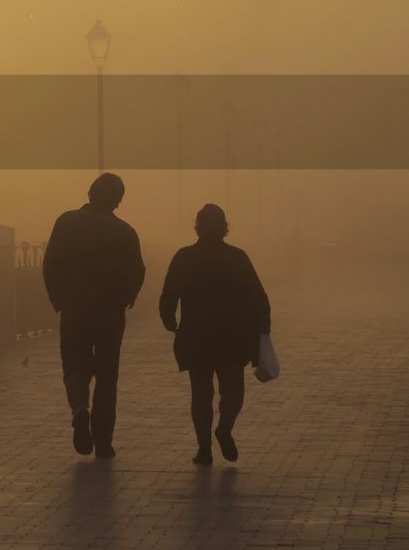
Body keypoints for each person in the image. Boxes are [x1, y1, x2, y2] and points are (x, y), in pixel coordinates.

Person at [42, 173, 146, 458]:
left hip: (74, 309)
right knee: (107, 375)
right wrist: (127, 298)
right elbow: (138, 271)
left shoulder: (66, 223)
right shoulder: (124, 231)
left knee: (74, 366)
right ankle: (103, 441)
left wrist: (58, 300)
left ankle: (79, 409)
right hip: (110, 313)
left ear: (90, 193)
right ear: (118, 200)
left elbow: (50, 264)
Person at [159, 204, 271, 465]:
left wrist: (169, 321)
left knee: (201, 393)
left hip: (196, 336)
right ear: (224, 228)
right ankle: (225, 428)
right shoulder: (237, 257)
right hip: (233, 336)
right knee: (233, 389)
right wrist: (263, 329)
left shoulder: (184, 257)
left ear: (197, 227)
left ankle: (204, 448)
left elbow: (168, 295)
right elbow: (258, 296)